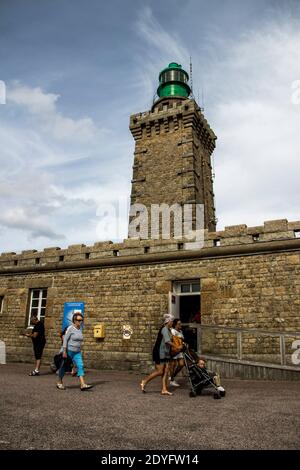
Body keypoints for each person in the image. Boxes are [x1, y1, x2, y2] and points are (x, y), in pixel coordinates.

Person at [56, 313, 93, 391]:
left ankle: (82, 384)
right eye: (79, 320)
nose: (80, 321)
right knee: (63, 368)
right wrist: (64, 351)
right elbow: (65, 339)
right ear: (74, 320)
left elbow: (79, 341)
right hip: (69, 351)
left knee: (80, 365)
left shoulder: (80, 329)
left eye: (81, 320)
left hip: (77, 352)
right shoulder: (70, 328)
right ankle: (59, 382)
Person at [140, 314, 174, 396]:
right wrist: (177, 346)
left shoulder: (169, 330)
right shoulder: (165, 329)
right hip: (160, 353)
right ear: (168, 322)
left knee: (166, 371)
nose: (172, 323)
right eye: (171, 321)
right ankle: (144, 381)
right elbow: (167, 341)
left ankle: (164, 389)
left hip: (166, 353)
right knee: (160, 371)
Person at [169, 319, 185, 387]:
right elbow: (173, 340)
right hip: (175, 350)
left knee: (181, 364)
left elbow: (182, 339)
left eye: (180, 323)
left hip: (180, 350)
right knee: (173, 365)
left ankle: (172, 377)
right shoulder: (173, 331)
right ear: (175, 325)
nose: (180, 325)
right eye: (179, 324)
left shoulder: (180, 331)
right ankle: (172, 380)